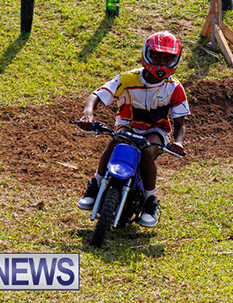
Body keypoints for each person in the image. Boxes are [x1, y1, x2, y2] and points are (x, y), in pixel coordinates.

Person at [76, 31, 189, 229]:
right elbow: (97, 95)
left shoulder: (175, 88)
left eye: (167, 59)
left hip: (157, 131)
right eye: (157, 57)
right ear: (147, 55)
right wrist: (88, 113)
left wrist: (178, 142)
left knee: (147, 152)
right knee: (114, 143)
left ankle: (150, 202)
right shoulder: (127, 79)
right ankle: (94, 185)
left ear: (175, 60)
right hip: (126, 126)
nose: (162, 63)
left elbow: (180, 123)